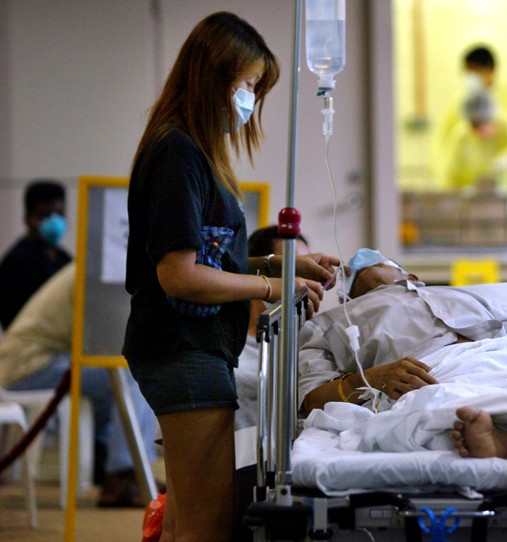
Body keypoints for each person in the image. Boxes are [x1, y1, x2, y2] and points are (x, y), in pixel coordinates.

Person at [123, 12, 338, 541]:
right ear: (213, 77)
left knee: (181, 522)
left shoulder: (189, 151)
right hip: (184, 351)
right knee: (206, 526)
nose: (249, 99)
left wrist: (278, 265)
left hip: (189, 350)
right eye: (247, 85)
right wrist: (271, 288)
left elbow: (207, 258)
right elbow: (179, 275)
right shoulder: (179, 153)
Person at [294, 248, 507, 505]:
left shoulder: (459, 294)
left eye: (375, 261)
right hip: (433, 370)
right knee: (437, 403)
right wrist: (366, 379)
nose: (359, 265)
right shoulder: (332, 323)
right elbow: (310, 399)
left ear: (408, 275)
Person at [0, 262, 159, 507]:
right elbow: (108, 342)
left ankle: (114, 468)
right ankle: (123, 475)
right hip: (28, 365)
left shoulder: (93, 266)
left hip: (34, 360)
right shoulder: (98, 275)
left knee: (118, 380)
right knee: (131, 375)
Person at [433, 45, 507, 195]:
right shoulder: (460, 113)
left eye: (474, 71)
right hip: (471, 190)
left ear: (491, 70)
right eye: (467, 73)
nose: (470, 77)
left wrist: (504, 160)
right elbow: (444, 143)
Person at [236, 226, 311, 430]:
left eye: (305, 270)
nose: (300, 281)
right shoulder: (227, 345)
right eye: (291, 269)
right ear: (258, 270)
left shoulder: (312, 343)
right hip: (235, 457)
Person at [0, 179, 72, 330]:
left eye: (59, 214)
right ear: (27, 218)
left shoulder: (65, 260)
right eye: (45, 215)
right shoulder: (15, 262)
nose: (54, 222)